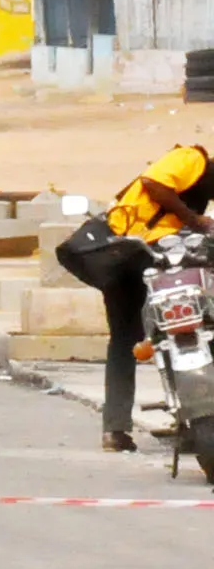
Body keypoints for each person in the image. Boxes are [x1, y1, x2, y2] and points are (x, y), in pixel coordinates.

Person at [75, 142, 213, 452]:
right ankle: (190, 421)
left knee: (141, 340)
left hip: (128, 256)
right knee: (195, 326)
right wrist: (194, 219)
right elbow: (154, 183)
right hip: (141, 255)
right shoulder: (192, 158)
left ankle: (118, 429)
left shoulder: (197, 183)